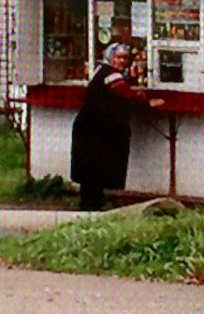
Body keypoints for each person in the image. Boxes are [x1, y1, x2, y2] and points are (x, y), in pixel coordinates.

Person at [70, 43, 165, 211]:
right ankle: (93, 205)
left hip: (89, 127)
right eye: (118, 57)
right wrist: (148, 102)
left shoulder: (100, 71)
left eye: (124, 58)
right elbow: (126, 96)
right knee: (97, 167)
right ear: (111, 57)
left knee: (91, 170)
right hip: (96, 129)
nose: (122, 61)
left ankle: (90, 203)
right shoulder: (112, 76)